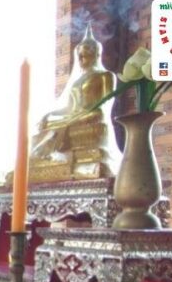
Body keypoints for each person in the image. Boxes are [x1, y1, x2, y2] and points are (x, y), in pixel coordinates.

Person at [28, 25, 119, 180]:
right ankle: (42, 158)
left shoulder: (105, 75)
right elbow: (70, 107)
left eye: (86, 56)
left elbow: (106, 103)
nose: (82, 60)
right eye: (80, 57)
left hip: (93, 115)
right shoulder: (77, 81)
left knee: (66, 125)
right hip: (75, 116)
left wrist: (78, 117)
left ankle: (52, 152)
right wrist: (49, 114)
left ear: (96, 54)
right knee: (47, 126)